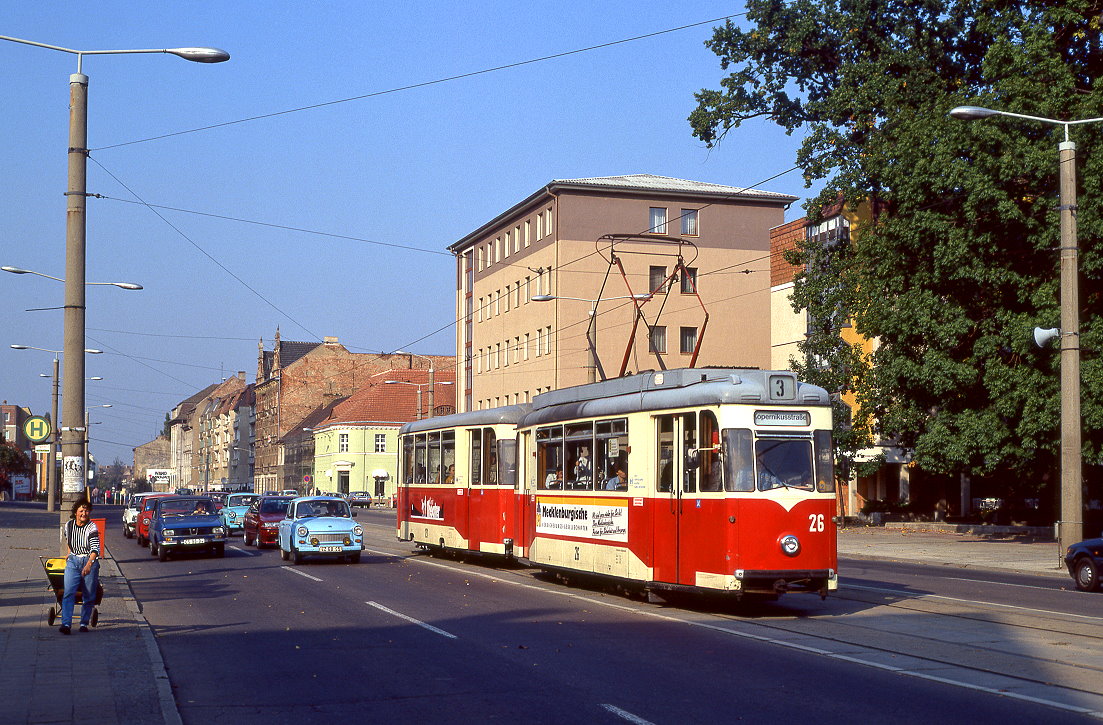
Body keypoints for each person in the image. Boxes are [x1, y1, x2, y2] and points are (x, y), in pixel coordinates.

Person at [59, 499, 101, 634]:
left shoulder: (92, 527)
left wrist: (89, 564)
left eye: (86, 510)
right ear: (75, 512)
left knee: (88, 595)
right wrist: (69, 553)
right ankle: (66, 624)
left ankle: (83, 623)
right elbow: (69, 541)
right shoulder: (69, 525)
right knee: (68, 593)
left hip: (89, 561)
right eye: (81, 511)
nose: (84, 513)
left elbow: (95, 549)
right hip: (73, 562)